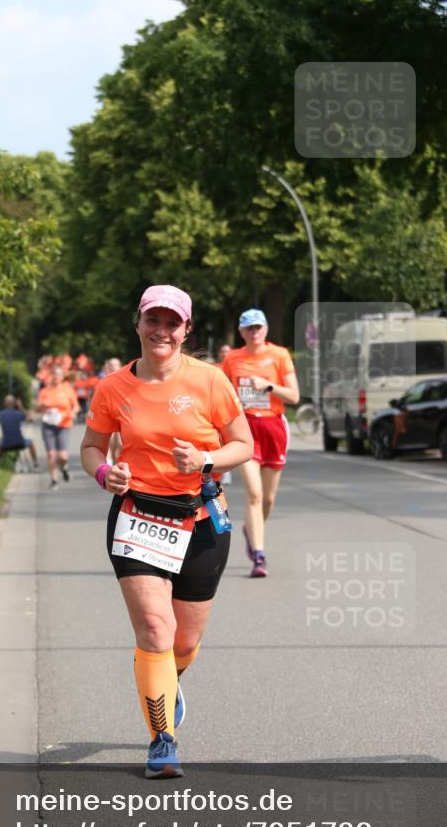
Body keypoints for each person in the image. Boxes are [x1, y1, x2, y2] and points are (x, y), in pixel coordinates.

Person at [80, 285, 253, 778]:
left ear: (186, 330)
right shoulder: (114, 387)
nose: (161, 331)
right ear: (137, 323)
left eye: (171, 323)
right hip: (137, 517)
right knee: (156, 629)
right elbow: (91, 446)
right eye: (152, 320)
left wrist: (206, 458)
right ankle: (162, 740)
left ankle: (165, 680)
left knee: (183, 642)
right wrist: (103, 472)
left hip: (199, 519)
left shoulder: (210, 380)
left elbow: (242, 444)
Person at [222, 308, 300, 578]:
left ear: (265, 329)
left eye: (258, 327)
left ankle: (252, 529)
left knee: (268, 498)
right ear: (242, 332)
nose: (254, 332)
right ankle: (259, 555)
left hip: (273, 426)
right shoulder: (232, 359)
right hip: (245, 428)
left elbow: (294, 396)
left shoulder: (279, 355)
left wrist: (267, 386)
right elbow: (224, 394)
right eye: (249, 328)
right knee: (254, 494)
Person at [37, 365, 80, 489]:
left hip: (64, 424)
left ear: (62, 376)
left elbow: (76, 406)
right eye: (54, 373)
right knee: (51, 454)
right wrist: (41, 405)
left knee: (62, 456)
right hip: (48, 425)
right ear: (51, 375)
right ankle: (54, 480)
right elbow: (37, 408)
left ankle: (64, 468)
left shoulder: (68, 390)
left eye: (59, 374)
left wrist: (73, 412)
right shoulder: (45, 391)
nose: (56, 376)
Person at [0, 395, 39, 470]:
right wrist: (21, 406)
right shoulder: (18, 414)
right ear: (15, 404)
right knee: (30, 443)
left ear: (4, 404)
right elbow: (30, 418)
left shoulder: (1, 414)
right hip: (20, 443)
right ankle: (35, 463)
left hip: (5, 444)